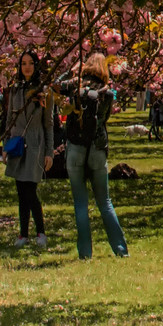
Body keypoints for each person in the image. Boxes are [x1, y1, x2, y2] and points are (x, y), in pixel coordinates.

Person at [59, 53, 129, 260]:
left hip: (75, 148)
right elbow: (105, 118)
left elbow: (55, 85)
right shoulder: (107, 92)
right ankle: (120, 250)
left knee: (80, 202)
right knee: (104, 201)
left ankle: (85, 253)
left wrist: (72, 70)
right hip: (97, 148)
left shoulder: (74, 86)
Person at [3, 52, 55, 249]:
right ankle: (23, 233)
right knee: (20, 191)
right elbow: (10, 119)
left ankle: (40, 231)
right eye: (23, 63)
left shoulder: (43, 91)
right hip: (17, 142)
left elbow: (49, 124)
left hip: (35, 143)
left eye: (31, 63)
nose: (27, 67)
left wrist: (49, 152)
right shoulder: (15, 90)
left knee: (30, 190)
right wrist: (6, 146)